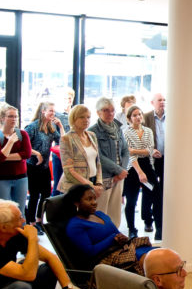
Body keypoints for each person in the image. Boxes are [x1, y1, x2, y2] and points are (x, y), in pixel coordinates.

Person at [61, 183, 155, 275]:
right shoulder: (75, 226)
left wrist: (121, 238)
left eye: (94, 198)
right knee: (151, 261)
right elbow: (90, 252)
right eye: (89, 199)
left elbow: (116, 233)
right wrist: (112, 239)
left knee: (158, 254)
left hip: (121, 249)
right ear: (76, 203)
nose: (94, 202)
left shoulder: (100, 215)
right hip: (104, 260)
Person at [90, 97, 129, 228]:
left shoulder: (117, 128)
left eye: (112, 110)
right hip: (104, 177)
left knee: (115, 210)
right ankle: (100, 239)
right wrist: (118, 170)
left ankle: (114, 238)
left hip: (119, 176)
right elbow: (98, 156)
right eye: (106, 110)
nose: (110, 113)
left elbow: (125, 150)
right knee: (101, 212)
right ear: (98, 112)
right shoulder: (93, 131)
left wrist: (122, 170)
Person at [24, 102, 63, 226]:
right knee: (34, 195)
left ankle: (40, 220)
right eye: (50, 111)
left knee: (46, 195)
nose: (53, 113)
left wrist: (60, 126)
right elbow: (24, 146)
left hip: (44, 167)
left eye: (54, 111)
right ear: (43, 112)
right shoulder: (32, 127)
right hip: (32, 166)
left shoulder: (51, 127)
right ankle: (31, 222)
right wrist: (37, 154)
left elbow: (63, 141)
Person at [0, 105, 34, 213]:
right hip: (0, 178)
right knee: (2, 212)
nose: (14, 119)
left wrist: (3, 157)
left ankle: (20, 230)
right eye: (10, 116)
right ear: (3, 118)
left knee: (19, 212)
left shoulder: (22, 134)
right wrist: (10, 142)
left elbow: (27, 154)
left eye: (15, 116)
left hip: (20, 177)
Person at [119, 105, 155, 238]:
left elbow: (149, 150)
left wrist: (136, 150)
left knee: (150, 194)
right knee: (132, 199)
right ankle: (132, 228)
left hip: (147, 164)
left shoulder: (148, 131)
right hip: (132, 168)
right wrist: (140, 172)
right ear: (129, 118)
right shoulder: (125, 132)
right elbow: (130, 154)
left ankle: (148, 221)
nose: (138, 117)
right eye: (134, 115)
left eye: (139, 114)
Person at [141, 93, 166, 239]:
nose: (162, 102)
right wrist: (151, 150)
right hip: (150, 159)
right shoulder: (146, 117)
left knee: (161, 191)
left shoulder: (171, 117)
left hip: (167, 159)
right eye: (159, 100)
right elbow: (142, 138)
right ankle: (147, 219)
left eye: (164, 100)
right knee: (149, 189)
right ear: (152, 103)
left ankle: (160, 222)